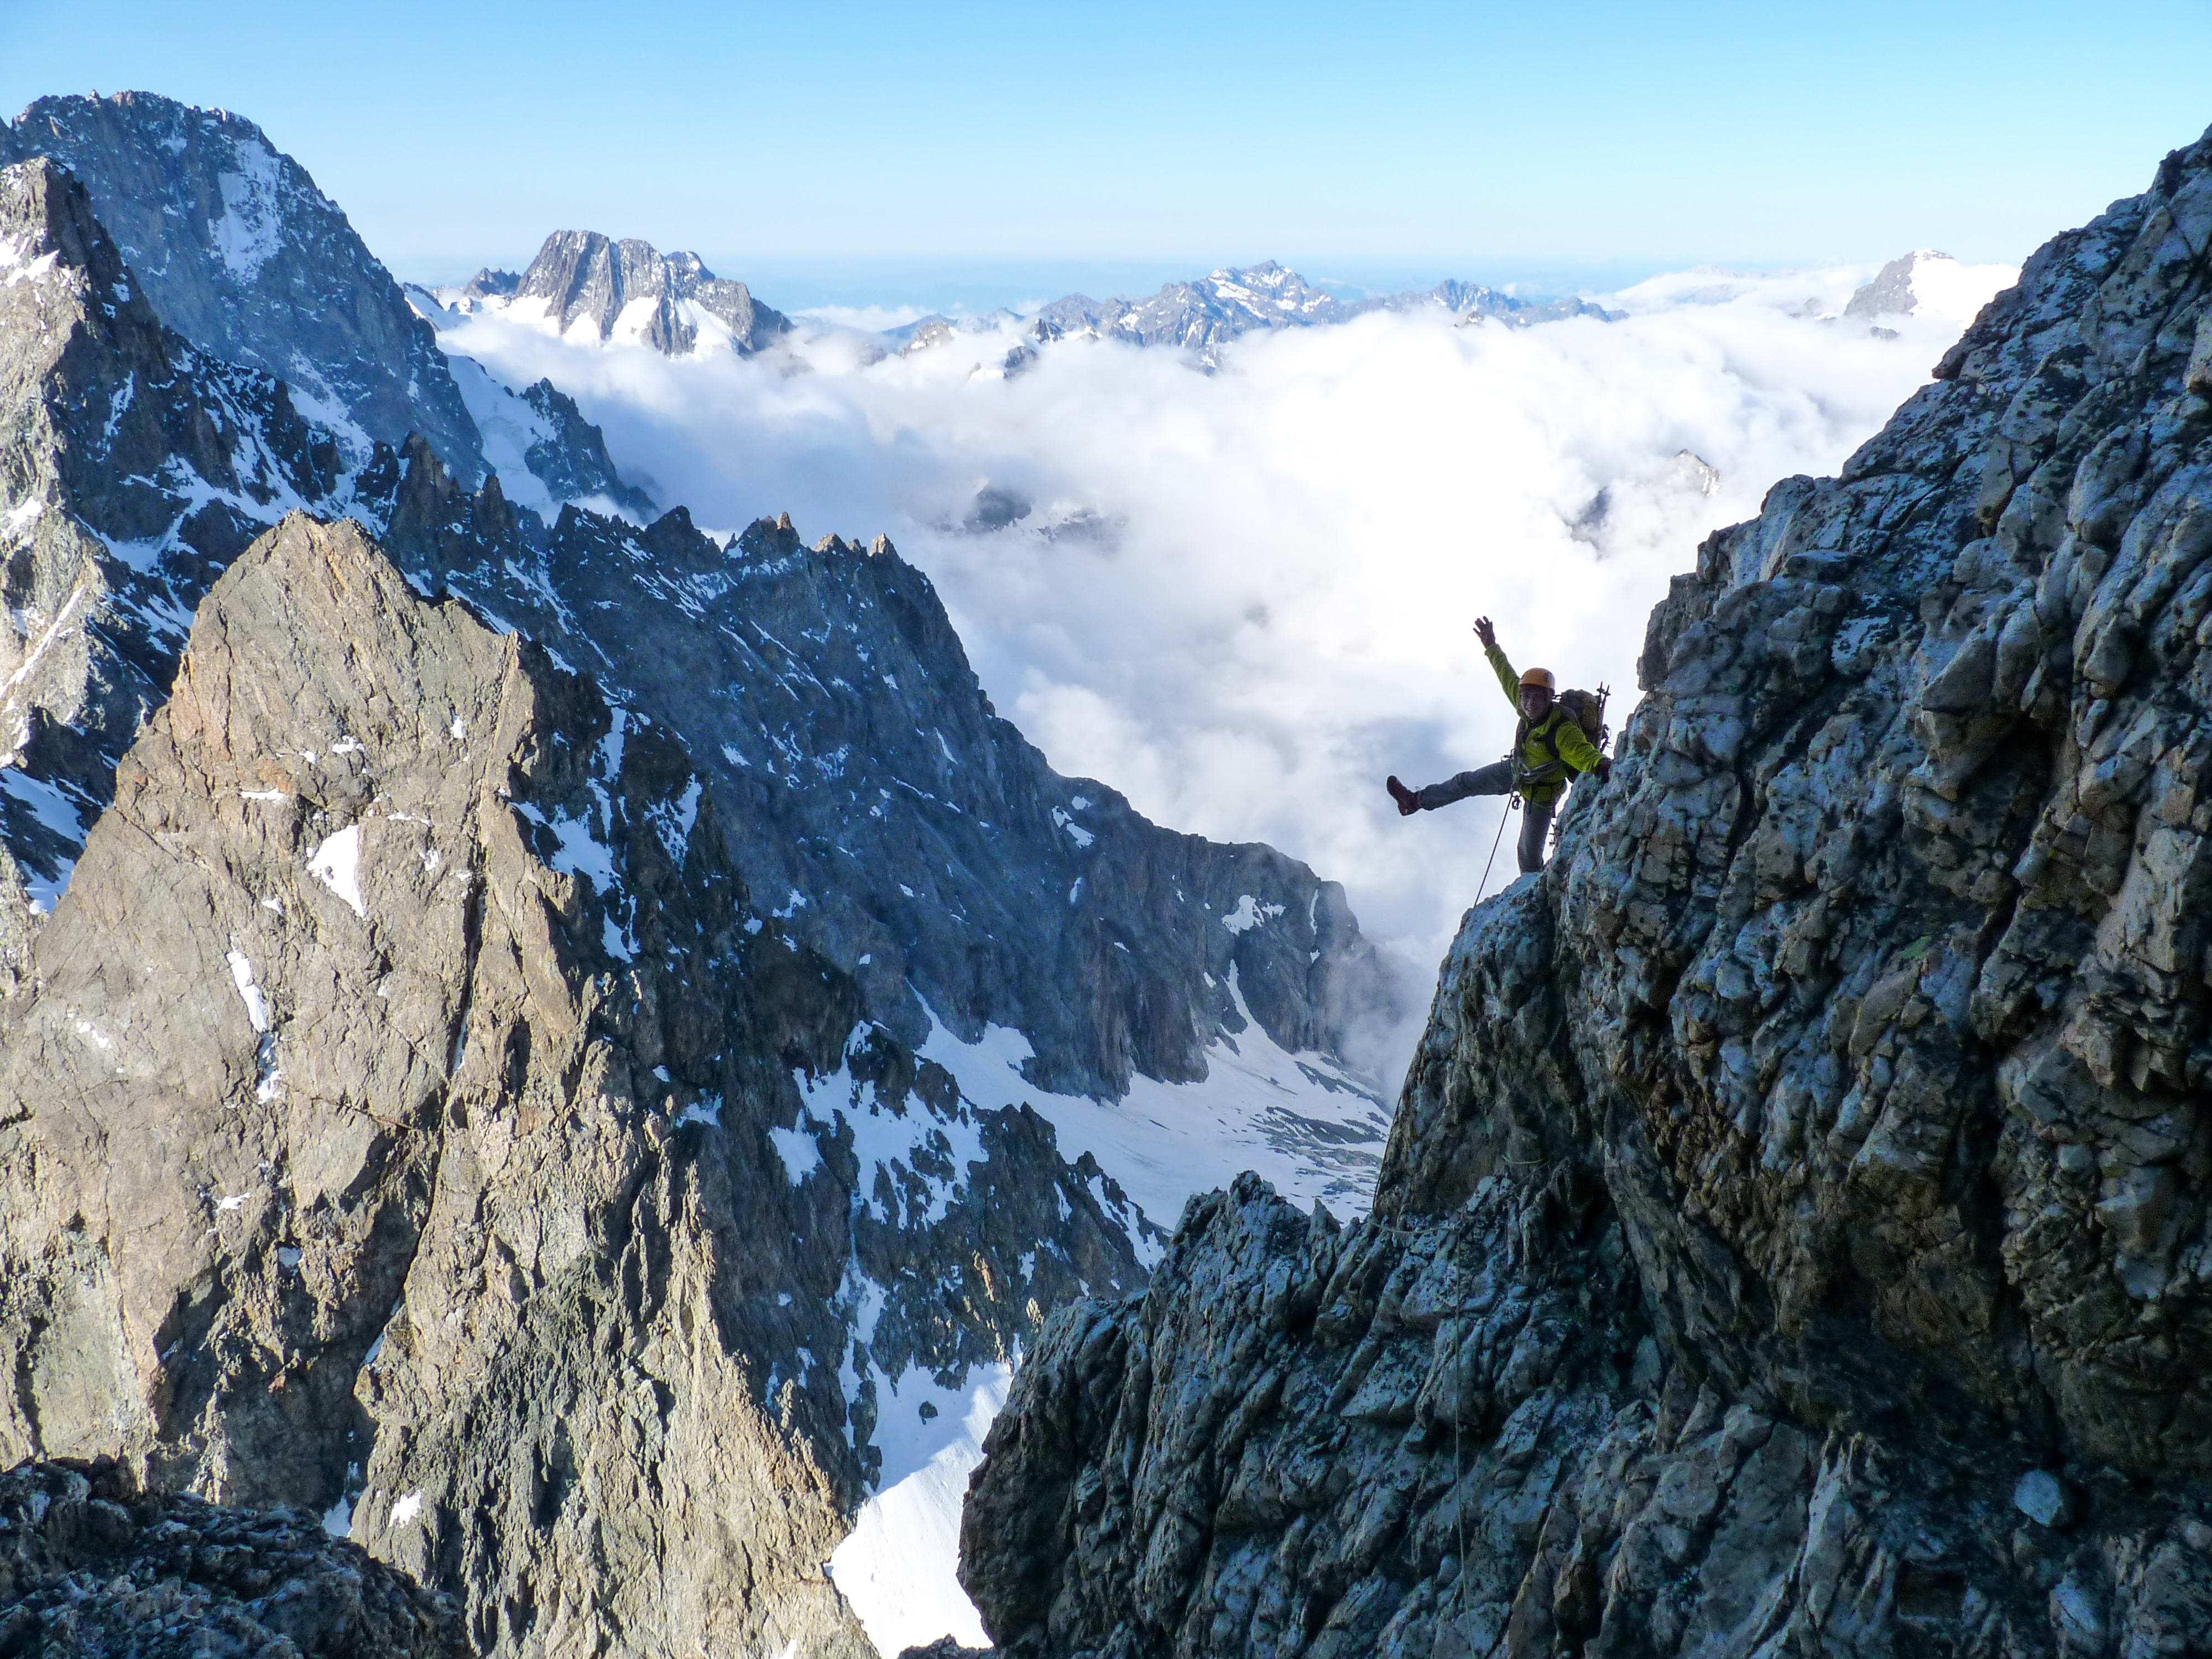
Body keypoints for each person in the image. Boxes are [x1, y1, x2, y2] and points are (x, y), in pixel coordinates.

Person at [1386, 616, 1610, 874]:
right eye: (1525, 697)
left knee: (1527, 855)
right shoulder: (1526, 708)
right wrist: (1491, 645)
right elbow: (1507, 676)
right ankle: (1414, 801)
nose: (1528, 704)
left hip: (1542, 794)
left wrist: (1602, 766)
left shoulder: (1562, 730)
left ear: (1549, 698)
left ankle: (1537, 893)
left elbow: (1581, 753)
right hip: (1516, 771)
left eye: (1536, 698)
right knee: (1464, 782)